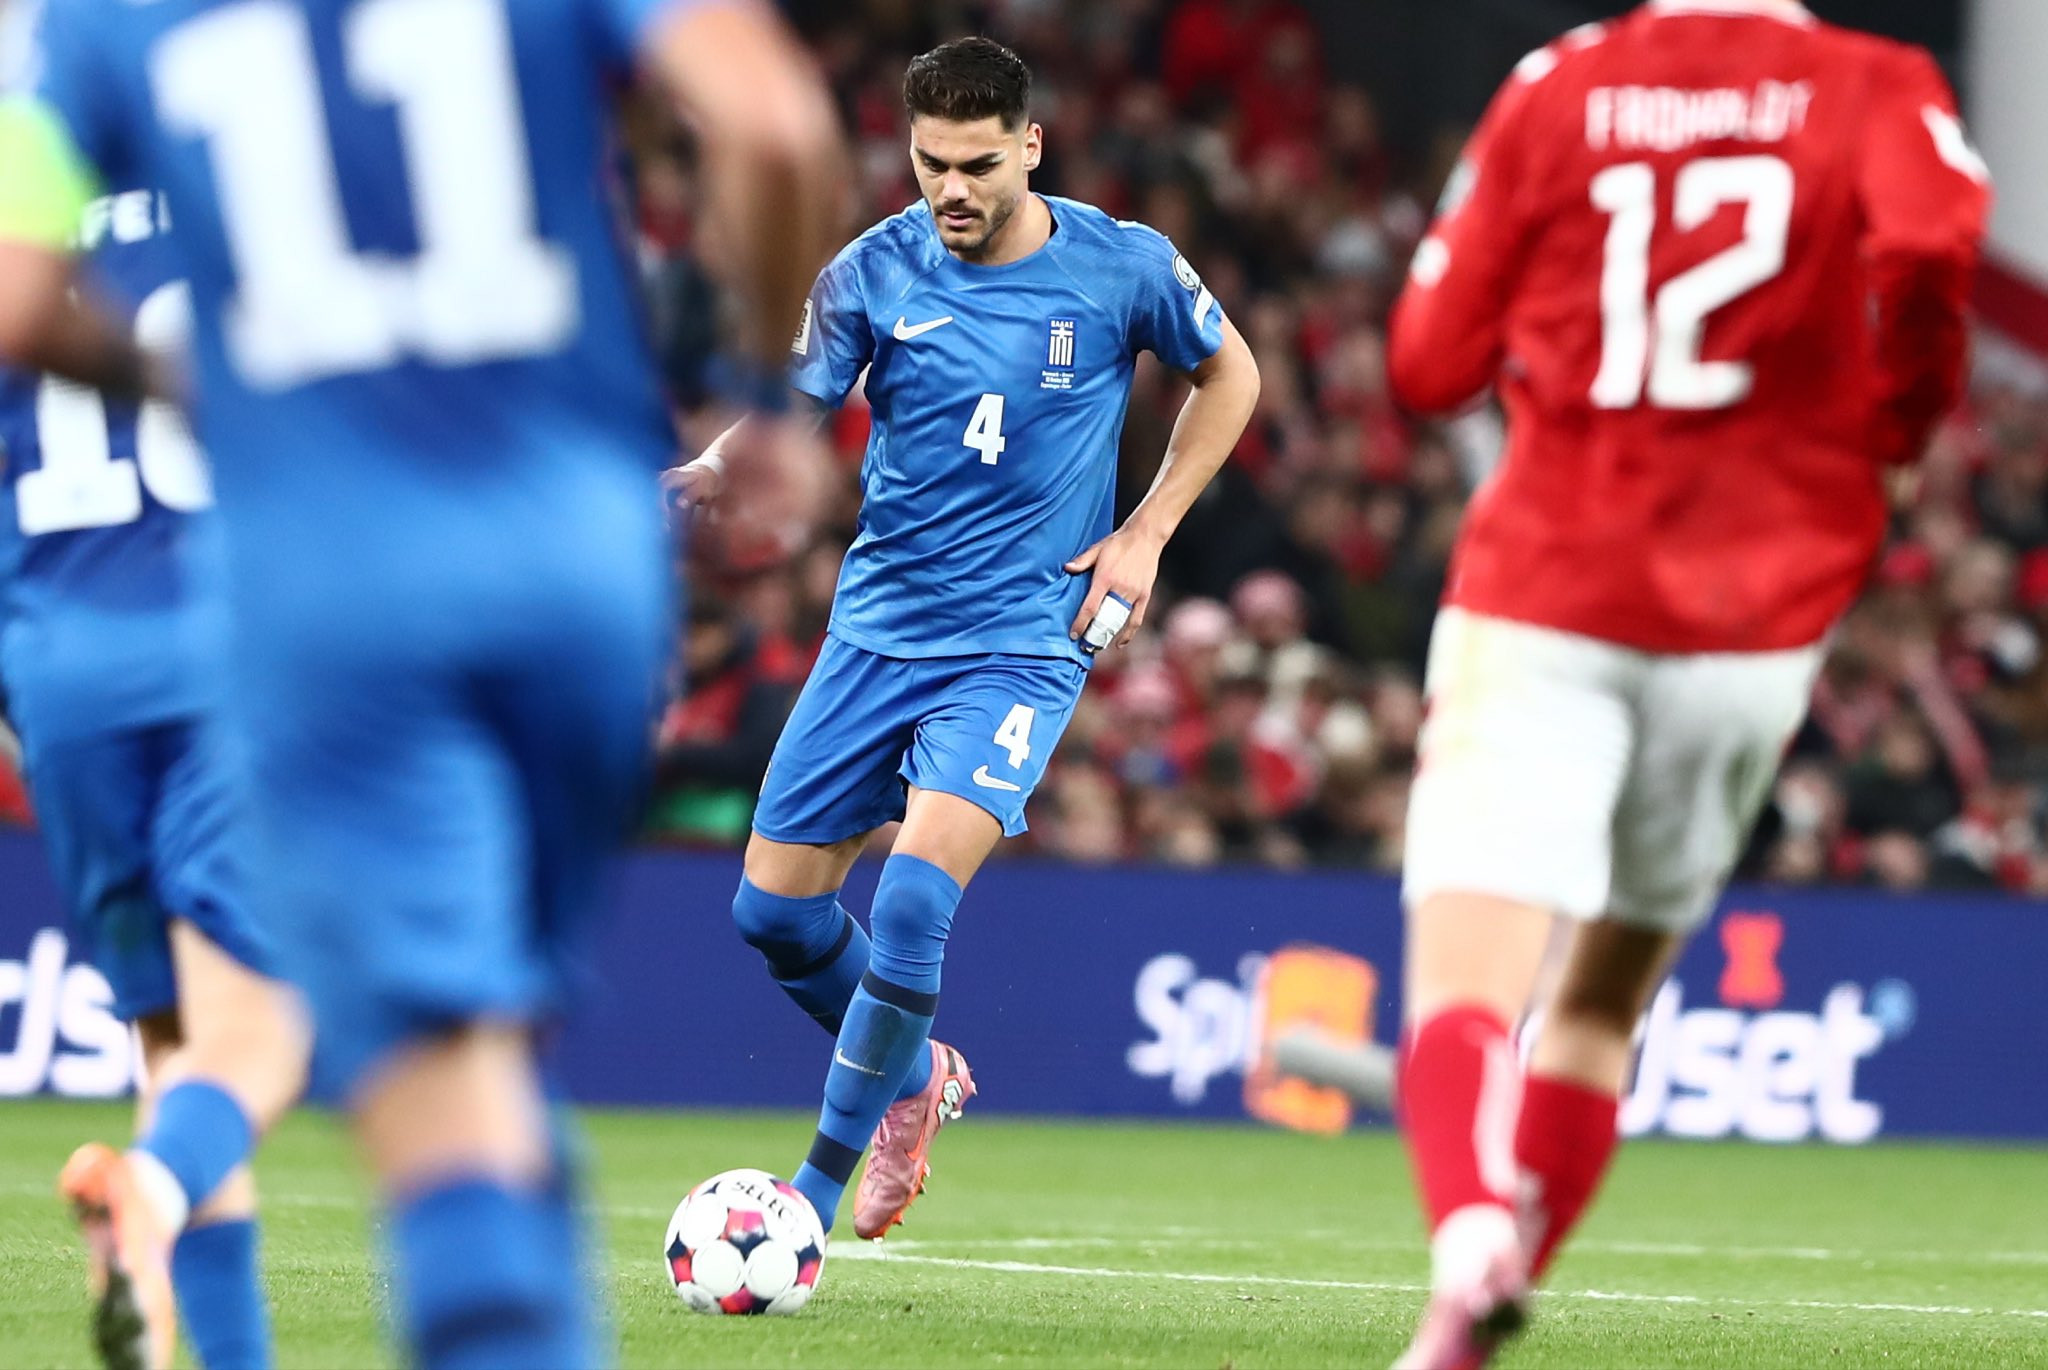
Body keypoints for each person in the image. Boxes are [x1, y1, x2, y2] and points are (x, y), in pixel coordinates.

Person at [0, 0, 840, 1365]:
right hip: (578, 559)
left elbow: (20, 296)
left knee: (433, 1076)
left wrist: (200, 384)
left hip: (319, 595)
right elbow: (772, 124)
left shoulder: (101, 30)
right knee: (488, 1041)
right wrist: (757, 396)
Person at [1383, 2, 1989, 1365]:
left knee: (1465, 991)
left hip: (1549, 583)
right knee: (1601, 1002)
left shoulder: (1560, 86)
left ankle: (1469, 1232)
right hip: (1754, 617)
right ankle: (1463, 1325)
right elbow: (1932, 244)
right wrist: (1897, 420)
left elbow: (1427, 361)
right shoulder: (1876, 83)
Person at [674, 36, 1261, 1241]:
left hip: (1020, 638)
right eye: (931, 162)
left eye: (978, 164)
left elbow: (1231, 375)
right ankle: (913, 1073)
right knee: (773, 914)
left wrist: (1144, 531)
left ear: (1029, 146)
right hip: (877, 630)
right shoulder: (871, 270)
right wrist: (716, 467)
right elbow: (786, 406)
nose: (951, 187)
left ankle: (808, 1202)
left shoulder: (1120, 264)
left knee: (907, 902)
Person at [0, 168, 310, 1368]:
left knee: (176, 1048)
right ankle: (153, 1183)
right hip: (226, 664)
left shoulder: (21, 242)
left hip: (62, 680)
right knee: (262, 1033)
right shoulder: (256, 199)